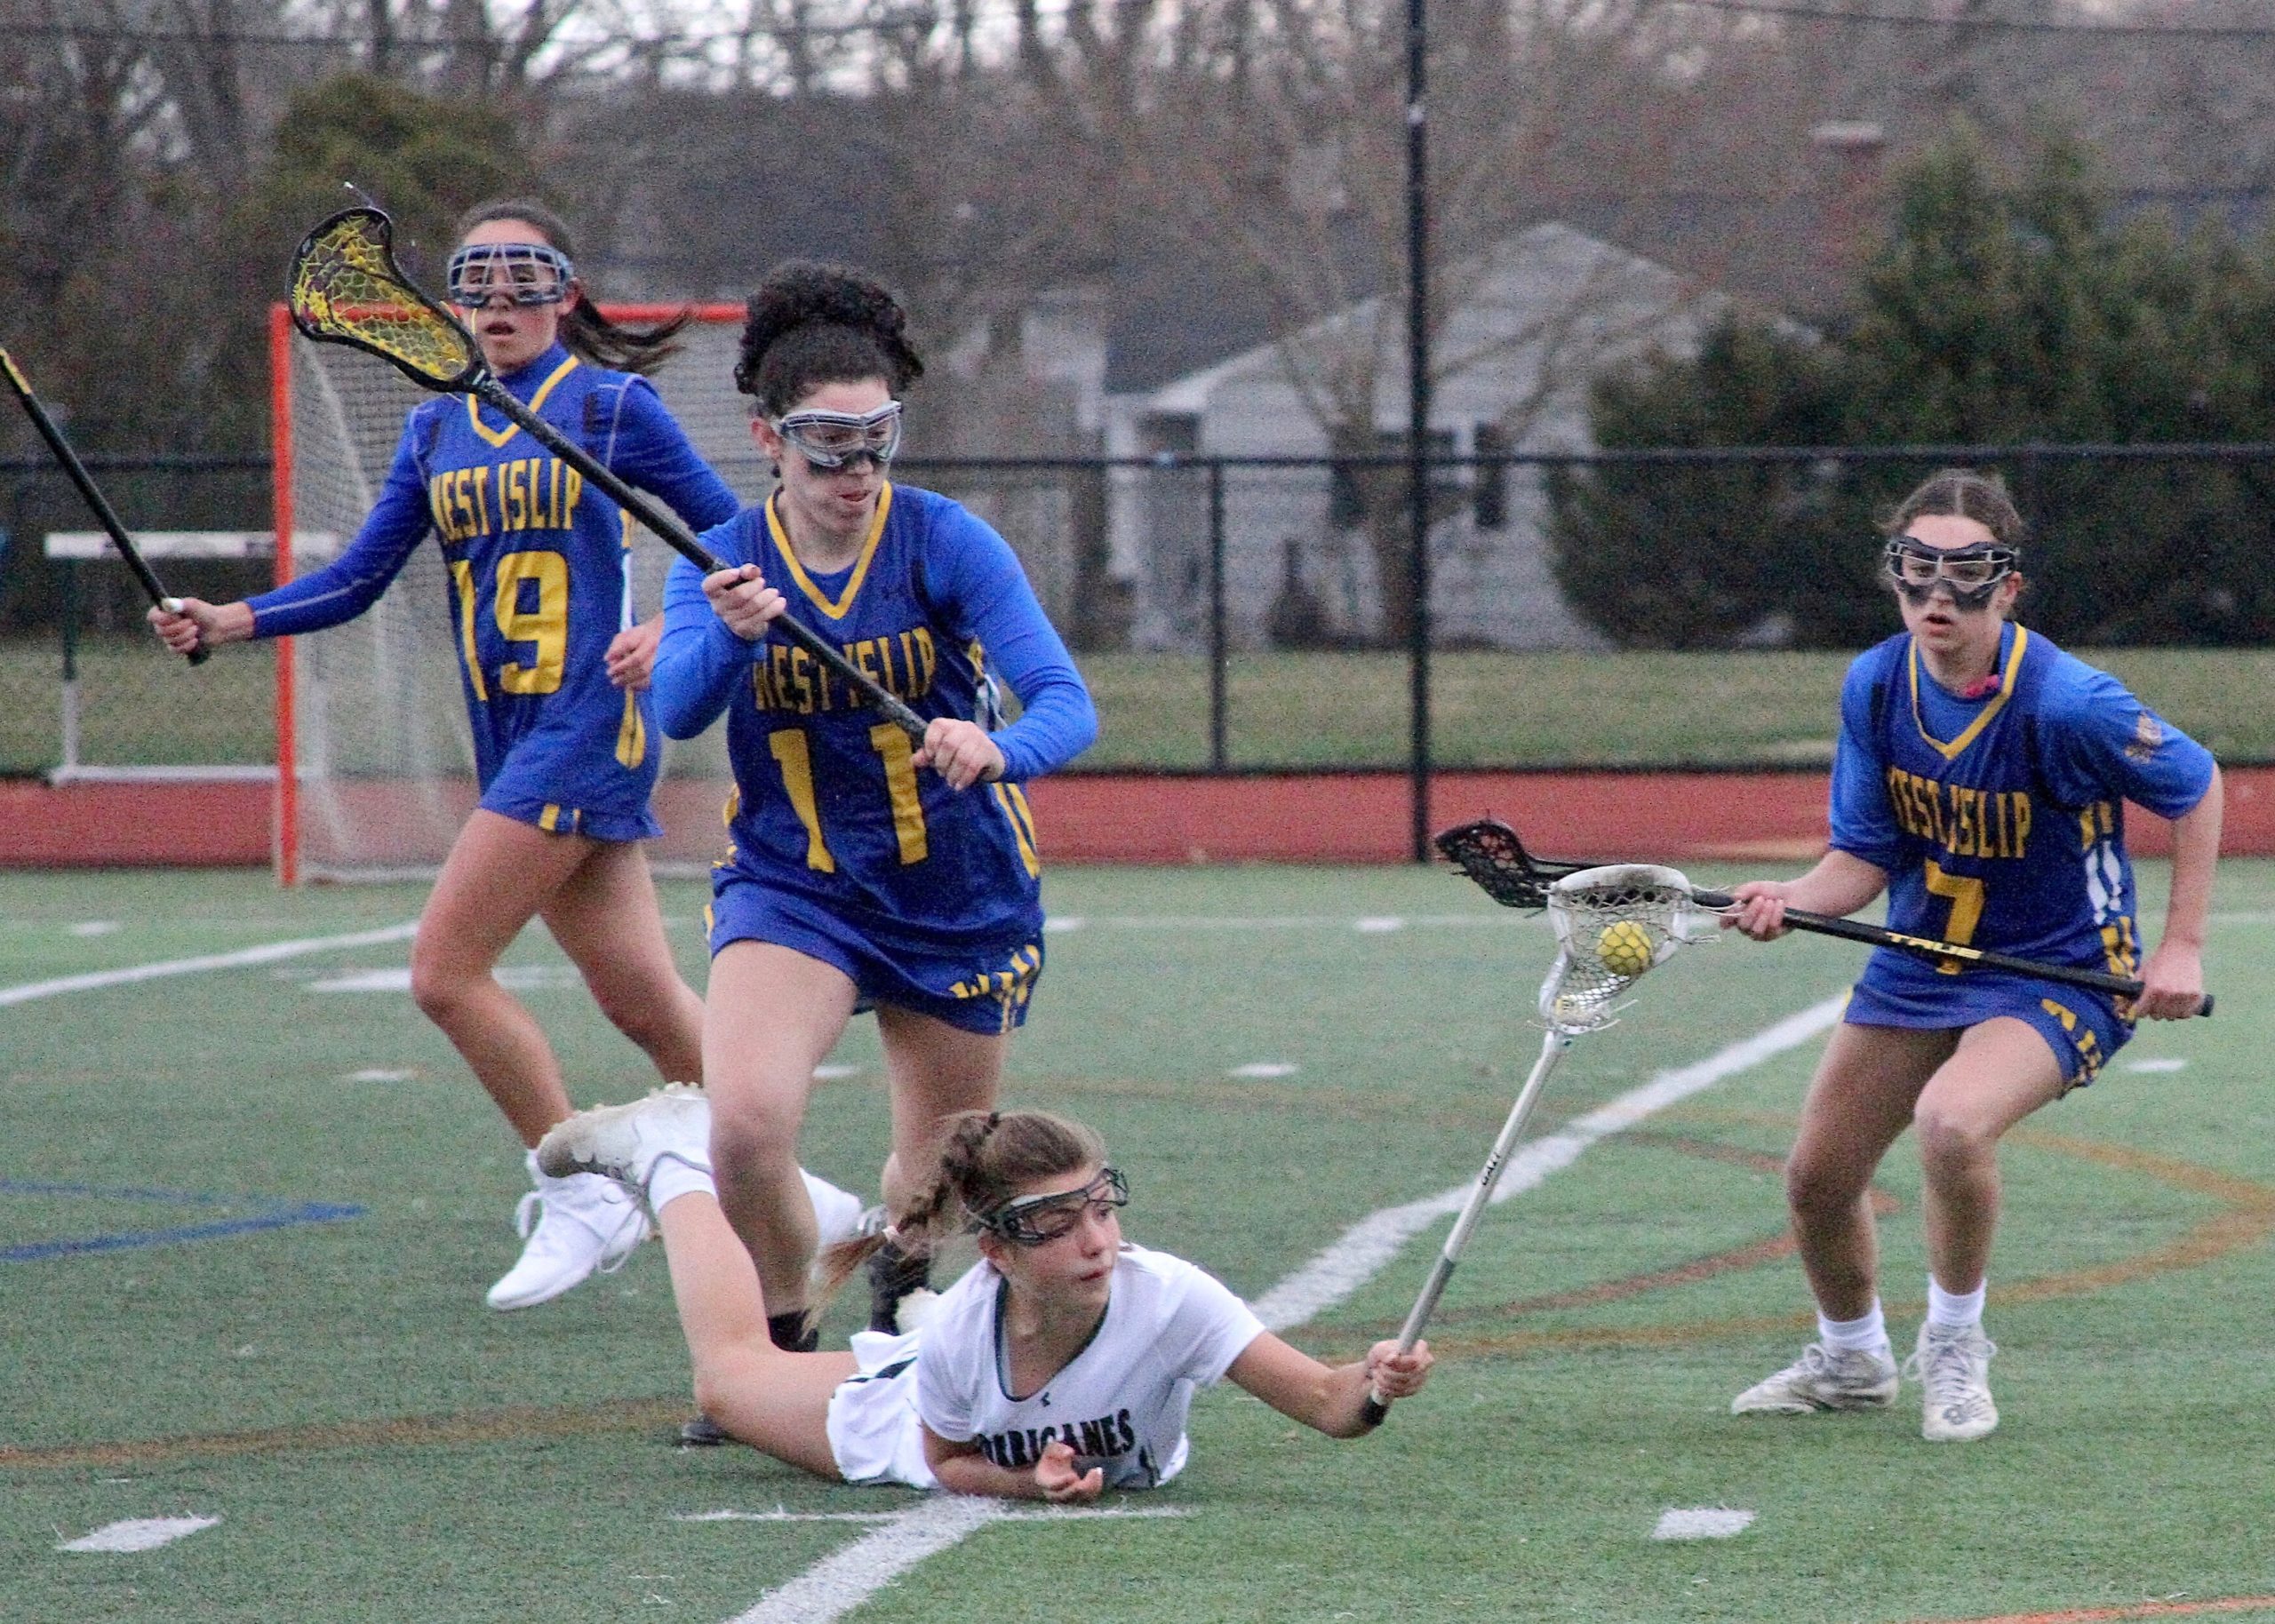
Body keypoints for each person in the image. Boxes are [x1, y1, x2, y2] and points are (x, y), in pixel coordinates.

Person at [149, 200, 863, 1309]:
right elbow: (356, 578)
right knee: (642, 1000)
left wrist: (675, 625)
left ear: (564, 296)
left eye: (523, 282)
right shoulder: (437, 427)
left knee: (443, 972)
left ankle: (573, 1179)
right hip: (510, 733)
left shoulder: (611, 405)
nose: (497, 304)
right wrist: (229, 618)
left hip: (588, 726)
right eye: (476, 283)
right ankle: (793, 1191)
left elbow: (738, 539)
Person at [650, 260, 1098, 1371]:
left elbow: (1066, 704)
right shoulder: (723, 560)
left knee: (928, 1181)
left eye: (877, 439)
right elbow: (673, 709)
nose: (855, 470)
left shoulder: (946, 540)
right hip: (792, 880)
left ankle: (898, 1274)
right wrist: (734, 636)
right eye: (826, 444)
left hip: (955, 888)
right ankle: (786, 1348)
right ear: (768, 439)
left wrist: (998, 747)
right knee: (746, 1127)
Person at [1722, 468, 2221, 1442]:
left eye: (1965, 575)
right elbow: (1862, 859)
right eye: (1917, 573)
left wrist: (2182, 946)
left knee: (1951, 1123)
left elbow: (2197, 788)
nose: (1937, 598)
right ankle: (1850, 1356)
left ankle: (1953, 1343)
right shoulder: (1877, 683)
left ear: (2008, 587)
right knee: (1817, 1176)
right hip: (1920, 959)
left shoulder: (2071, 703)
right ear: (1893, 577)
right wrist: (1787, 898)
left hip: (2060, 969)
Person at [538, 1092, 1435, 1492]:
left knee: (741, 1378)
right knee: (726, 1383)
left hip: (946, 1388)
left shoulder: (1167, 1298)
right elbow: (942, 1462)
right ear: (998, 1251)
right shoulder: (967, 1331)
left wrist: (1376, 1379)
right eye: (1058, 1222)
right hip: (893, 1422)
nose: (1095, 1239)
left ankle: (799, 1203)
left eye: (1099, 1209)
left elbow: (1326, 1401)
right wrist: (1019, 1482)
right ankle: (670, 1159)